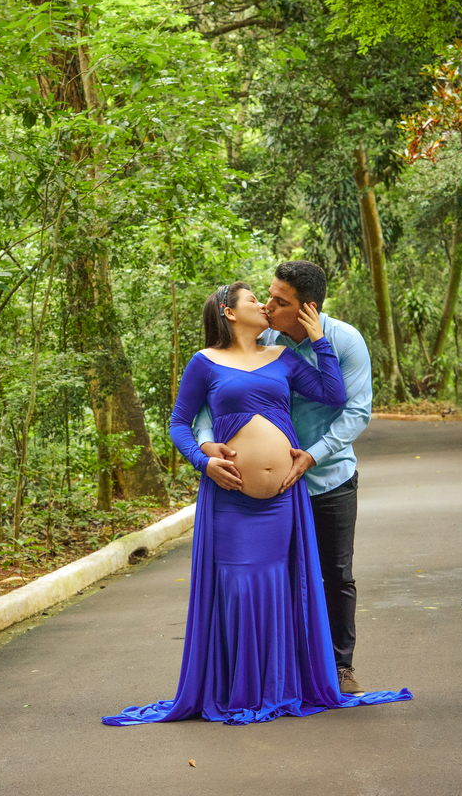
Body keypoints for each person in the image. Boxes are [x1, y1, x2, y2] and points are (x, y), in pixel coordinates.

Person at [101, 282, 409, 726]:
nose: (263, 306)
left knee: (283, 587)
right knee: (239, 586)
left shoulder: (283, 357)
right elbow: (180, 422)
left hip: (284, 498)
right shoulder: (204, 363)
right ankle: (239, 688)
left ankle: (282, 685)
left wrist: (319, 340)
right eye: (254, 300)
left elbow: (335, 395)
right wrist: (201, 460)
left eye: (270, 300)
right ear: (228, 312)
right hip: (229, 498)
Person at [197, 261, 372, 696]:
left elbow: (354, 411)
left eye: (280, 300)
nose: (268, 305)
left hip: (328, 477)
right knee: (283, 575)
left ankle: (340, 666)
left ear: (307, 307)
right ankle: (289, 668)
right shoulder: (267, 340)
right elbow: (205, 404)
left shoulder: (345, 341)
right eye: (267, 296)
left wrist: (311, 457)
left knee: (335, 572)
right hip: (274, 493)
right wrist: (204, 446)